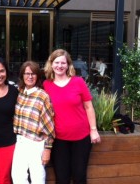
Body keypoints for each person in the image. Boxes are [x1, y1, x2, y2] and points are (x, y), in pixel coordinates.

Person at [43, 49, 101, 184]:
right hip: (58, 140)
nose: (60, 66)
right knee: (62, 179)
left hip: (81, 138)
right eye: (56, 62)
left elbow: (88, 107)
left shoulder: (78, 82)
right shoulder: (46, 85)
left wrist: (93, 130)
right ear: (51, 64)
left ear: (68, 65)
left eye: (63, 63)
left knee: (79, 177)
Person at [12, 61, 55, 184]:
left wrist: (48, 149)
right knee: (18, 177)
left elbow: (49, 126)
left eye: (33, 74)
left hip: (36, 143)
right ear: (22, 75)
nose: (30, 77)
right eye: (27, 73)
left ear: (37, 76)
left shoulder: (43, 96)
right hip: (20, 141)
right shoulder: (19, 92)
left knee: (37, 178)